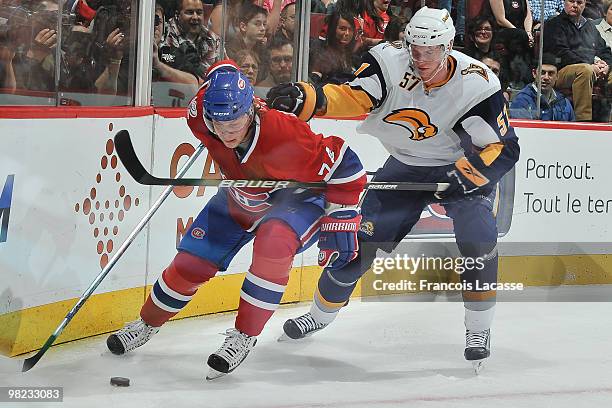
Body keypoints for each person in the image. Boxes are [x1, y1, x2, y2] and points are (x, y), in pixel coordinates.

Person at [267, 7, 520, 372]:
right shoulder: (388, 60)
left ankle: (478, 330)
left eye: (429, 50)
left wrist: (472, 174)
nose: (419, 58)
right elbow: (354, 96)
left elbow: (503, 147)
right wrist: (309, 99)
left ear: (448, 47)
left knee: (478, 237)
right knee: (356, 247)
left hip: (457, 167)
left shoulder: (477, 83)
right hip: (405, 166)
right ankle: (320, 315)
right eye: (414, 47)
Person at [106, 60, 366, 380]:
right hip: (243, 195)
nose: (226, 132)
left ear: (251, 111)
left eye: (235, 123)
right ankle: (145, 324)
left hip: (297, 201)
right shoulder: (199, 115)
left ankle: (243, 337)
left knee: (273, 243)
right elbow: (221, 70)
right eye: (219, 124)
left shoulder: (285, 134)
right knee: (192, 264)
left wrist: (342, 215)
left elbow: (347, 164)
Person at [543, 0, 612, 121]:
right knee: (585, 70)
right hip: (560, 71)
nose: (575, 5)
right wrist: (591, 64)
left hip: (591, 67)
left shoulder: (589, 26)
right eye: (571, 1)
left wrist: (606, 66)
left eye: (579, 2)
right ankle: (583, 120)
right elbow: (561, 53)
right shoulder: (553, 24)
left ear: (585, 4)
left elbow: (604, 50)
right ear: (564, 2)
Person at [160, 0, 222, 83]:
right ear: (177, 14)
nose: (195, 17)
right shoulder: (163, 34)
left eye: (199, 12)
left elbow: (223, 73)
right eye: (190, 12)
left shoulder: (214, 40)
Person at [510, 53, 576, 120]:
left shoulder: (564, 103)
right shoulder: (522, 100)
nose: (546, 77)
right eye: (542, 73)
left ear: (557, 76)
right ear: (534, 73)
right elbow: (522, 129)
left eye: (551, 73)